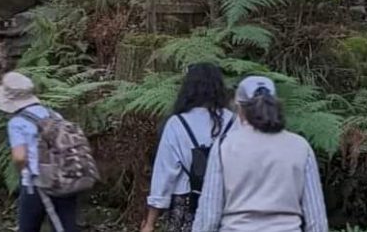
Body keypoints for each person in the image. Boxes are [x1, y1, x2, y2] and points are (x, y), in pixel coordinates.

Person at [191, 76, 329, 232]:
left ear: (239, 108)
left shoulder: (225, 146)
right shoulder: (301, 147)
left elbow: (209, 214)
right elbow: (316, 219)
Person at [141, 63, 235, 232]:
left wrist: (150, 222)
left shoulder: (177, 124)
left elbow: (164, 174)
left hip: (185, 204)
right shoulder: (233, 122)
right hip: (226, 202)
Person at [0, 72, 80, 232]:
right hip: (66, 179)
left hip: (36, 183)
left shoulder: (17, 122)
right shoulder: (54, 114)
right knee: (66, 226)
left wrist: (21, 171)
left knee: (28, 227)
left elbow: (19, 157)